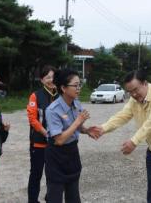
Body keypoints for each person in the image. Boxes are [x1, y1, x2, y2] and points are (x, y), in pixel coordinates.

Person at [90, 70, 151, 203]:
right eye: (130, 92)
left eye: (136, 90)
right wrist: (103, 128)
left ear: (145, 83)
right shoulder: (134, 100)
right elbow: (123, 116)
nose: (134, 95)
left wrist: (134, 142)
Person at [45, 69, 101, 203]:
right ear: (63, 88)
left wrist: (86, 130)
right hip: (56, 155)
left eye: (79, 85)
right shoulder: (52, 110)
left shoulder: (76, 103)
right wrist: (78, 122)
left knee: (74, 196)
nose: (78, 88)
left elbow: (76, 127)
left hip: (72, 153)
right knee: (55, 196)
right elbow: (59, 140)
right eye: (75, 85)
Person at [27, 65, 57, 203]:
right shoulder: (35, 95)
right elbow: (33, 119)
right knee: (36, 174)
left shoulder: (60, 94)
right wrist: (46, 133)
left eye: (53, 77)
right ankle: (33, 200)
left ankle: (50, 198)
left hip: (56, 143)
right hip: (39, 142)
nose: (51, 80)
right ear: (42, 80)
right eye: (47, 77)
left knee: (54, 174)